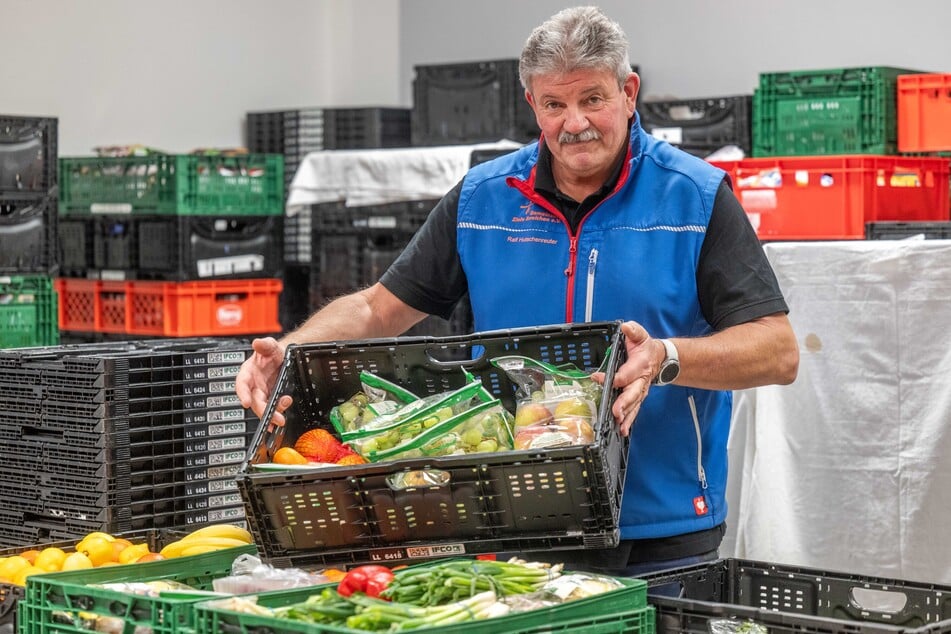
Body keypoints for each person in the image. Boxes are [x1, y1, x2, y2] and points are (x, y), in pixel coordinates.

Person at [237, 5, 799, 576]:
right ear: (532, 104)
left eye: (592, 99)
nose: (574, 122)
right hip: (514, 522)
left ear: (629, 93)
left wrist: (668, 357)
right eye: (554, 104)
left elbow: (777, 350)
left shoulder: (695, 198)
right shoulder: (484, 200)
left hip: (662, 527)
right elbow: (376, 309)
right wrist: (289, 351)